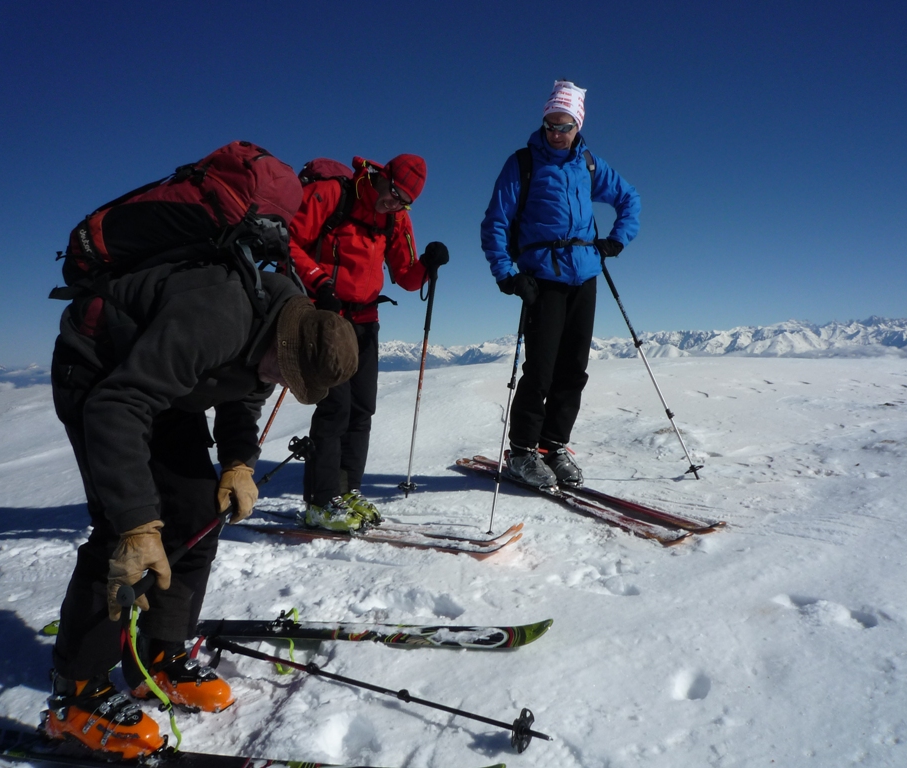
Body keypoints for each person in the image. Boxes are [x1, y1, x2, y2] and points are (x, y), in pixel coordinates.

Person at [46, 261, 358, 758]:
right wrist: (137, 523)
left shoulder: (283, 329)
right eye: (287, 373)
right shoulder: (218, 319)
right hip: (102, 375)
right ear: (283, 343)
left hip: (167, 384)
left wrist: (238, 462)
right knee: (120, 534)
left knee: (199, 510)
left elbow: (243, 394)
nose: (282, 383)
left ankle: (159, 651)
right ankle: (76, 694)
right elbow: (118, 405)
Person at [480, 80, 641, 488]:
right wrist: (507, 274)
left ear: (577, 126)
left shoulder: (588, 165)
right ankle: (522, 452)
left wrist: (617, 239)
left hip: (585, 275)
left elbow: (629, 199)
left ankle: (554, 446)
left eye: (564, 126)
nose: (556, 133)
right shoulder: (523, 163)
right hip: (543, 279)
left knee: (574, 369)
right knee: (541, 370)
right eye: (551, 124)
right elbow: (495, 222)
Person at [288, 154, 449, 530]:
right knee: (335, 408)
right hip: (326, 316)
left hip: (365, 321)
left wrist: (429, 263)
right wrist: (318, 281)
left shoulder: (396, 219)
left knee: (362, 409)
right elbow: (288, 241)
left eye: (405, 201)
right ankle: (320, 500)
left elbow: (406, 277)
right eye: (394, 194)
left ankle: (347, 490)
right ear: (381, 176)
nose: (395, 204)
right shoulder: (332, 195)